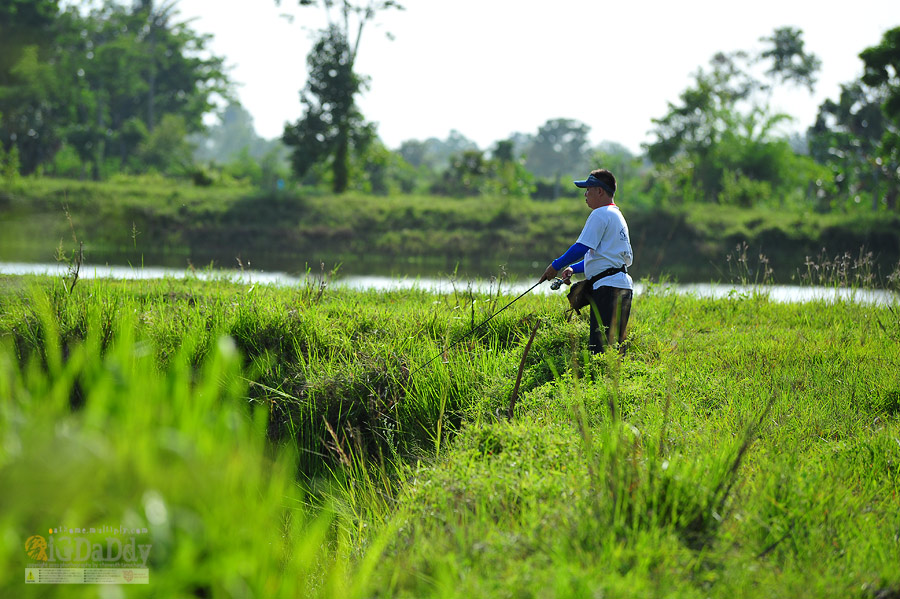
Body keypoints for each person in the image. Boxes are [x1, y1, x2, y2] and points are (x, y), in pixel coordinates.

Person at [538, 168, 634, 354]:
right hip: (622, 286)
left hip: (608, 290)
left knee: (599, 350)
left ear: (600, 191)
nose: (585, 194)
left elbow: (581, 247)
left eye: (589, 189)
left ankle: (598, 381)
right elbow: (607, 259)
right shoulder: (617, 216)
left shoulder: (600, 214)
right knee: (614, 350)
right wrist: (573, 268)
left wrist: (555, 266)